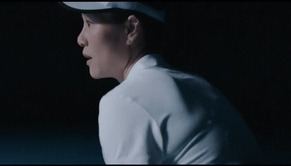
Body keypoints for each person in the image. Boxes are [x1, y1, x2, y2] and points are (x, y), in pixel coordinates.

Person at [60, 2, 260, 164]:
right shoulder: (201, 87)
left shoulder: (125, 101)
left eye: (89, 23)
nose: (80, 39)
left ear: (131, 29)